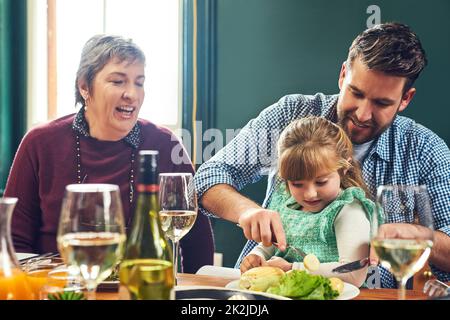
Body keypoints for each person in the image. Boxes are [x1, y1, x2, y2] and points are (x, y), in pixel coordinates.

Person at [194, 22, 450, 287]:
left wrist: (418, 236)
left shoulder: (425, 150)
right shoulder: (290, 115)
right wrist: (247, 212)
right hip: (266, 293)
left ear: (405, 98)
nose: (362, 114)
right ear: (343, 75)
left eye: (381, 103)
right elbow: (206, 179)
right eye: (356, 92)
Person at [4, 34, 214, 273]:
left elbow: (197, 244)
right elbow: (14, 242)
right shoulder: (39, 142)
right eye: (118, 81)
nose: (132, 94)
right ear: (84, 86)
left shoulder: (165, 144)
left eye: (139, 82)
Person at [239, 117, 376, 287]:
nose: (310, 194)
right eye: (297, 184)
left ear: (343, 169)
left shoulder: (348, 209)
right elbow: (273, 246)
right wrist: (257, 256)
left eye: (321, 182)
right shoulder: (286, 203)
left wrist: (292, 268)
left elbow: (353, 273)